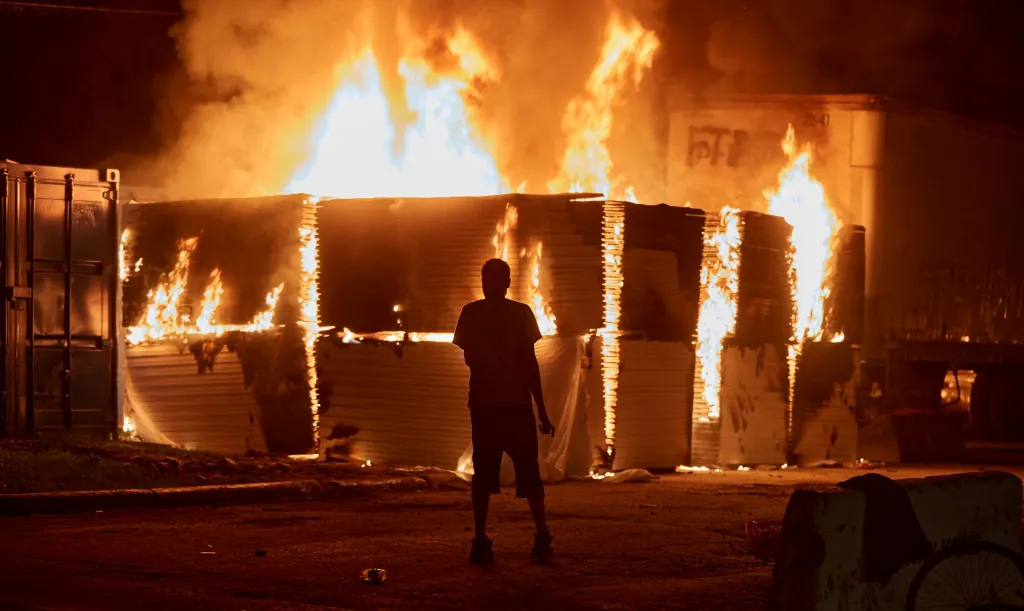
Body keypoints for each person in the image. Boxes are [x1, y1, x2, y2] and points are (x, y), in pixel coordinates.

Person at [453, 258, 556, 564]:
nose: (490, 284)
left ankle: (481, 540)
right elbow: (529, 363)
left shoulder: (471, 314)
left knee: (483, 476)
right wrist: (541, 409)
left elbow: (470, 358)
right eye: (489, 279)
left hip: (487, 407)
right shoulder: (520, 314)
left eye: (492, 279)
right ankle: (541, 536)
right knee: (528, 475)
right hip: (513, 407)